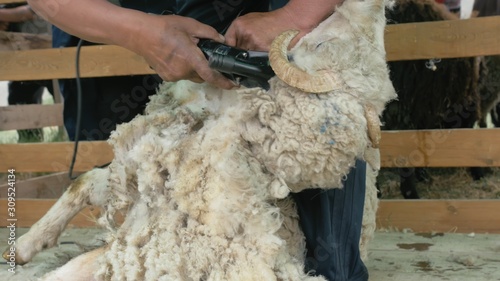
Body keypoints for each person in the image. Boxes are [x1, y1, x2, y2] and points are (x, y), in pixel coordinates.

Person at [27, 0, 369, 280]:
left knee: (329, 265)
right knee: (176, 152)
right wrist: (143, 33)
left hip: (297, 22)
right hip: (186, 21)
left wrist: (296, 14)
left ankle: (333, 264)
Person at [0, 4, 53, 142]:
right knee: (19, 99)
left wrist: (3, 14)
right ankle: (31, 146)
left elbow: (37, 9)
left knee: (73, 99)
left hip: (50, 50)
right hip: (22, 56)